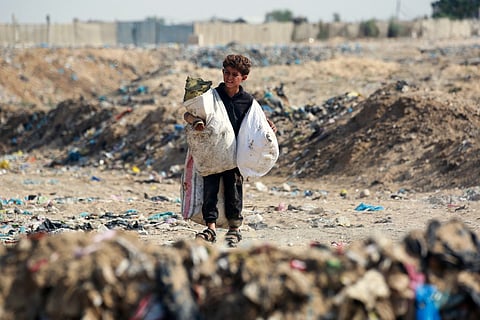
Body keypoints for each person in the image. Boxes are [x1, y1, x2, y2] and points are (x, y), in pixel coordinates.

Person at [184, 54, 276, 247]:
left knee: (234, 191)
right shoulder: (211, 97)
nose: (229, 77)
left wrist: (268, 127)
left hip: (235, 156)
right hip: (214, 151)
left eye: (235, 74)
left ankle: (234, 230)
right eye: (226, 72)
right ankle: (211, 228)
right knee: (210, 189)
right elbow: (188, 114)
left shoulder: (248, 101)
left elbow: (258, 122)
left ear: (244, 77)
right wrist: (196, 122)